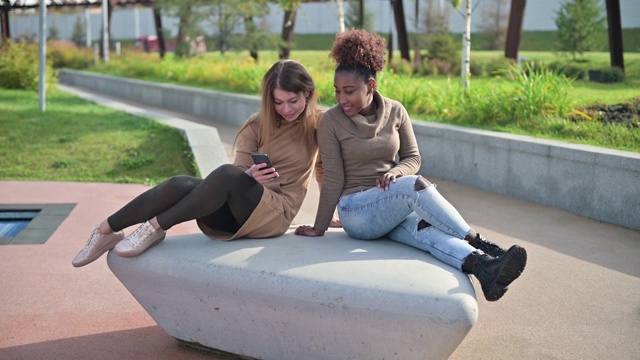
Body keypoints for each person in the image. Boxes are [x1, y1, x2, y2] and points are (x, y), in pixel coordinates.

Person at [295, 29, 527, 302]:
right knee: (414, 185)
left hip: (390, 207)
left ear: (370, 86)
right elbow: (333, 176)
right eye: (337, 91)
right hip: (356, 211)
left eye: (349, 91)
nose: (341, 98)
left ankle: (483, 268)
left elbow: (413, 159)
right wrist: (319, 226)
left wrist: (396, 171)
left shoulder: (396, 111)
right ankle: (480, 242)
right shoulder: (331, 121)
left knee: (426, 233)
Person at [72, 59, 322, 267]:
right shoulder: (257, 125)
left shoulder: (319, 124)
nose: (286, 109)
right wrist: (251, 175)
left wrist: (328, 217)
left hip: (275, 214)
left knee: (224, 175)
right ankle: (106, 231)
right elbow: (236, 174)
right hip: (236, 213)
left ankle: (153, 228)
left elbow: (327, 169)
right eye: (278, 102)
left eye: (293, 101)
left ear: (308, 94)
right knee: (180, 184)